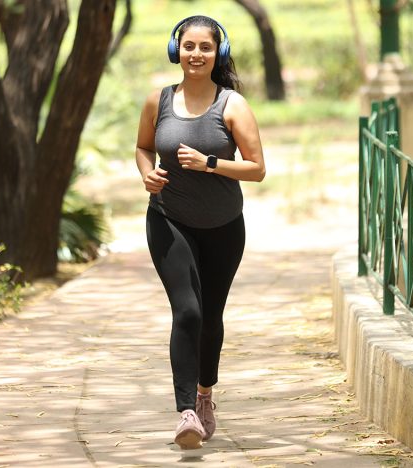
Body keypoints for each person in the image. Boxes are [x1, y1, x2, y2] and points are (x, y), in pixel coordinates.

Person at [135, 14, 266, 450]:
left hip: (224, 227)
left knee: (211, 317)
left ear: (218, 52)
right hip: (168, 219)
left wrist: (209, 163)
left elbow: (257, 168)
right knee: (187, 312)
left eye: (205, 47)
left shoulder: (232, 105)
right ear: (177, 51)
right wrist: (146, 175)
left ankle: (207, 394)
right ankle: (186, 411)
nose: (195, 54)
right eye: (188, 46)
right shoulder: (159, 100)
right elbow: (142, 147)